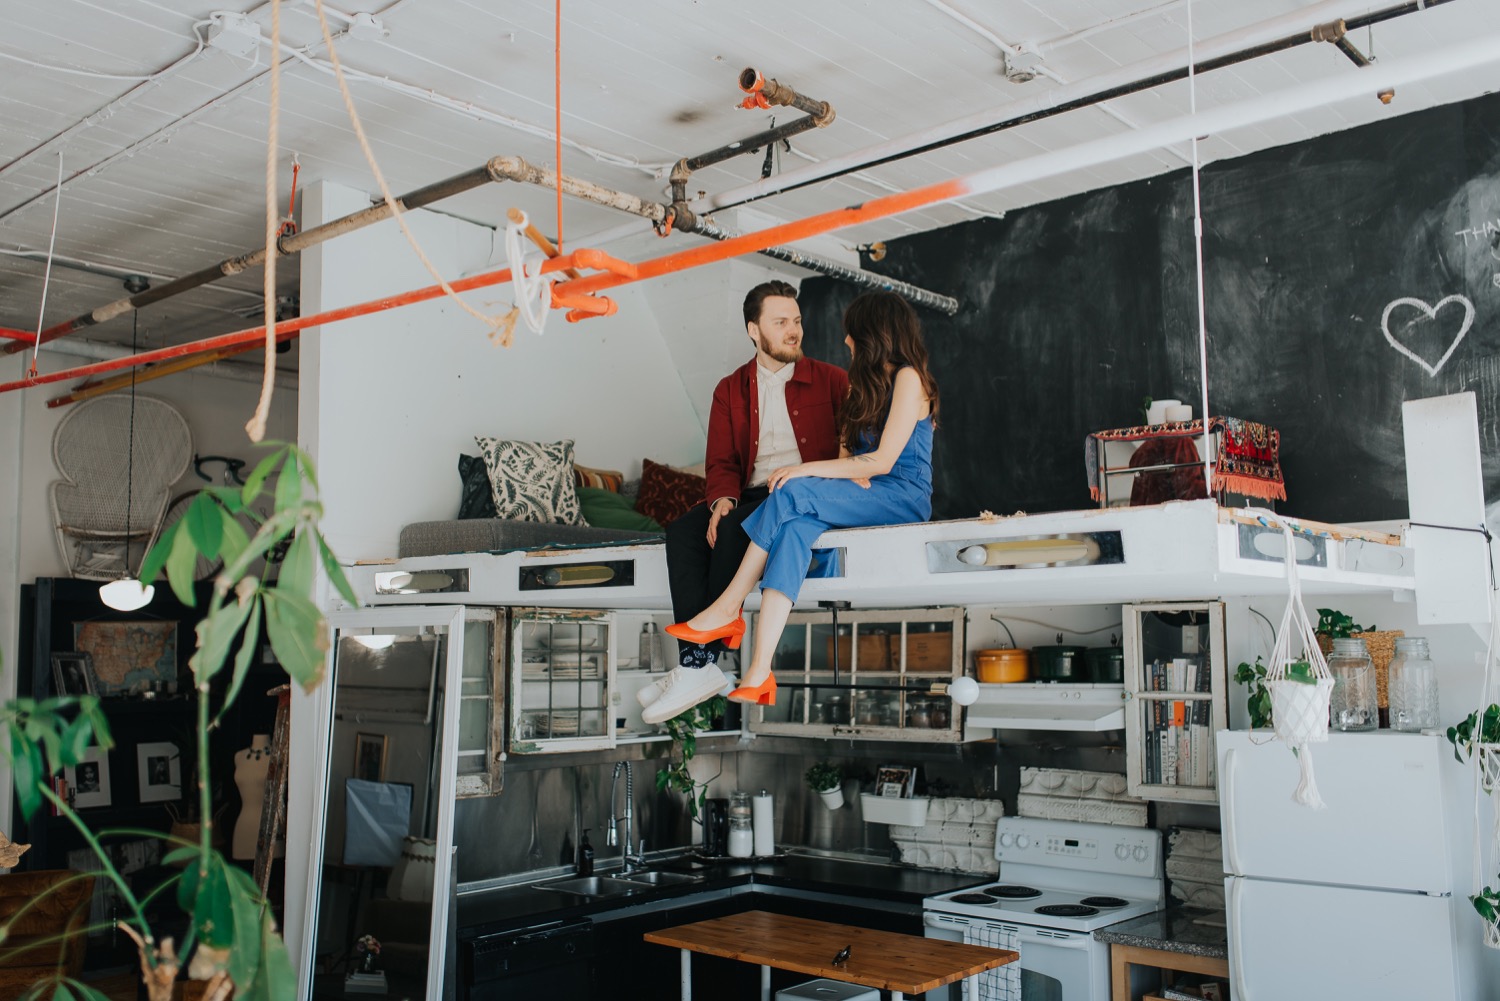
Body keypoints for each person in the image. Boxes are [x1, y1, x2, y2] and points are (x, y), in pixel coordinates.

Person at [665, 290, 939, 709]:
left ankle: (728, 607)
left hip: (901, 494)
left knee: (790, 491)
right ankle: (759, 670)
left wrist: (812, 472)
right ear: (753, 330)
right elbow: (849, 457)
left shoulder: (908, 378)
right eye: (782, 322)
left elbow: (881, 461)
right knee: (791, 528)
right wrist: (843, 477)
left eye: (851, 334)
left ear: (871, 335)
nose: (844, 341)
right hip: (856, 489)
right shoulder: (857, 386)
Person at [641, 280, 849, 725]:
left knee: (736, 530)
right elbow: (720, 460)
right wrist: (720, 502)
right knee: (683, 531)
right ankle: (698, 663)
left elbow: (850, 452)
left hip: (800, 494)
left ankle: (699, 665)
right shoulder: (730, 389)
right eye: (781, 322)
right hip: (749, 492)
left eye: (796, 321)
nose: (794, 331)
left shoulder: (832, 381)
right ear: (754, 331)